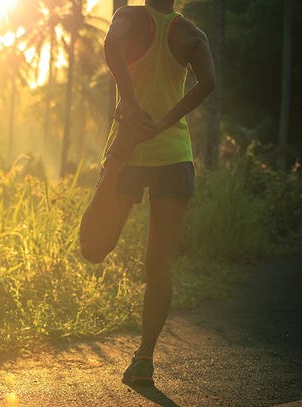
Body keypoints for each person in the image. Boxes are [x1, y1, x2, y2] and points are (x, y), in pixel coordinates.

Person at [79, 0, 216, 386]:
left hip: (133, 151)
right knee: (158, 265)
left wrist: (129, 98)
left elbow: (110, 43)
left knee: (95, 248)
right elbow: (209, 81)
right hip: (173, 154)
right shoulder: (191, 33)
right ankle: (144, 356)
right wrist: (165, 121)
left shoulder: (128, 16)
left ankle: (144, 358)